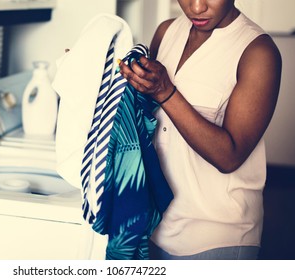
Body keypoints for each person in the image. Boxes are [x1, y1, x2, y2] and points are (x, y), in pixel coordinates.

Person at [118, 0, 282, 260]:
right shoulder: (166, 32)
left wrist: (166, 92)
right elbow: (148, 115)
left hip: (215, 236)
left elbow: (230, 156)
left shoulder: (257, 52)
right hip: (155, 224)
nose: (196, 8)